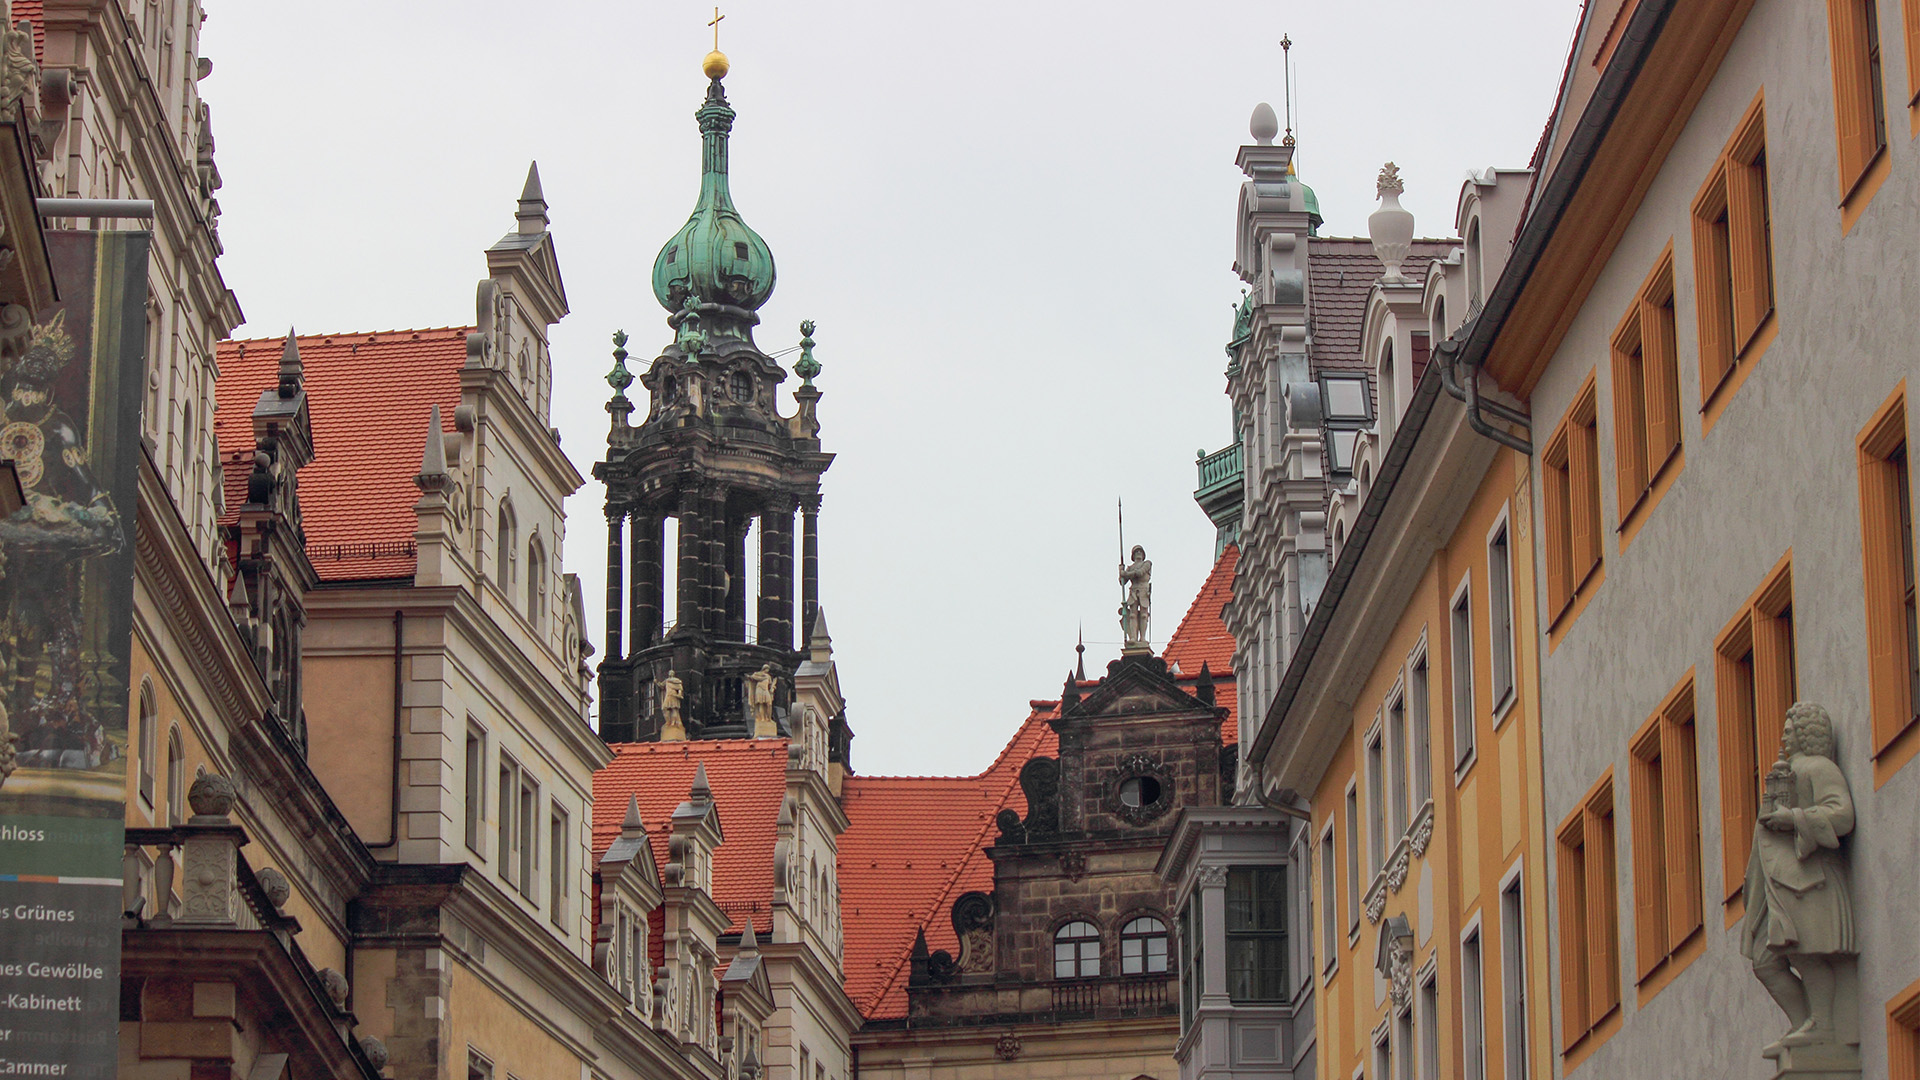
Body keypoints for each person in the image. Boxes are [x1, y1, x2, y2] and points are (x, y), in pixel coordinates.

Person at [1743, 702, 1856, 1056]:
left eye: (1791, 728)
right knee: (1763, 960)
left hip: (1809, 883)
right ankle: (1804, 1020)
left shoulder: (1818, 768)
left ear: (1807, 733)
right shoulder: (1787, 770)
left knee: (1806, 955)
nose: (1784, 734)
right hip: (1779, 885)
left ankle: (1821, 1023)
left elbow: (1842, 815)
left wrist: (1793, 819)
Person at [1118, 544, 1152, 648]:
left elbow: (1139, 573)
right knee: (1132, 615)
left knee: (1143, 615)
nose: (1138, 553)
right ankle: (1133, 637)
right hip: (1133, 591)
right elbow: (1122, 582)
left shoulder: (1147, 563)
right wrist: (1120, 572)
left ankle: (1142, 638)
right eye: (1136, 552)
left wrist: (1125, 574)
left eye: (1140, 552)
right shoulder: (1130, 567)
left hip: (1143, 590)